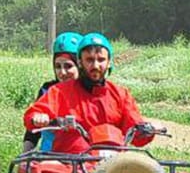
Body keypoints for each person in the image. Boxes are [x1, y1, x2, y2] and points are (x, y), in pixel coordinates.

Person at [23, 32, 166, 153]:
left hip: (111, 166)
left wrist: (147, 129)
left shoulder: (121, 95)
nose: (95, 66)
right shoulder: (59, 92)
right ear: (80, 62)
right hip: (69, 166)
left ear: (109, 62)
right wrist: (38, 117)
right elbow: (33, 115)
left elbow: (136, 133)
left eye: (101, 60)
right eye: (90, 60)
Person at [22, 31, 85, 150]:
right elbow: (32, 132)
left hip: (84, 158)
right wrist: (24, 156)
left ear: (80, 65)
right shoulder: (48, 90)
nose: (62, 72)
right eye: (58, 66)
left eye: (68, 66)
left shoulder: (90, 91)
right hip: (50, 158)